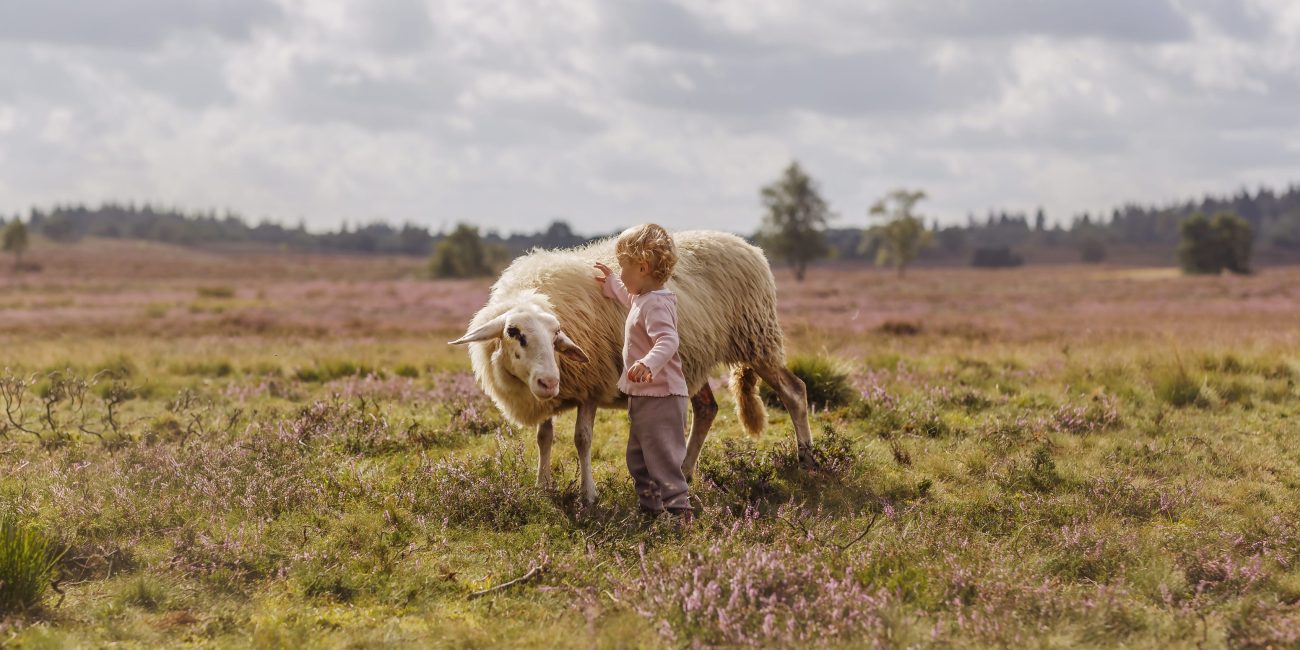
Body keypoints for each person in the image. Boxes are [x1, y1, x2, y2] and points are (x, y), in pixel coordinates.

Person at [593, 223, 692, 522]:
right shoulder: (644, 297)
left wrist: (649, 362)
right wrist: (612, 284)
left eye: (623, 267)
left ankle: (679, 513)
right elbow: (630, 300)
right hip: (646, 395)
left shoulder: (658, 304)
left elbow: (668, 340)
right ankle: (650, 510)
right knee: (638, 459)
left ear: (643, 267)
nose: (620, 273)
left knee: (663, 460)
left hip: (662, 395)